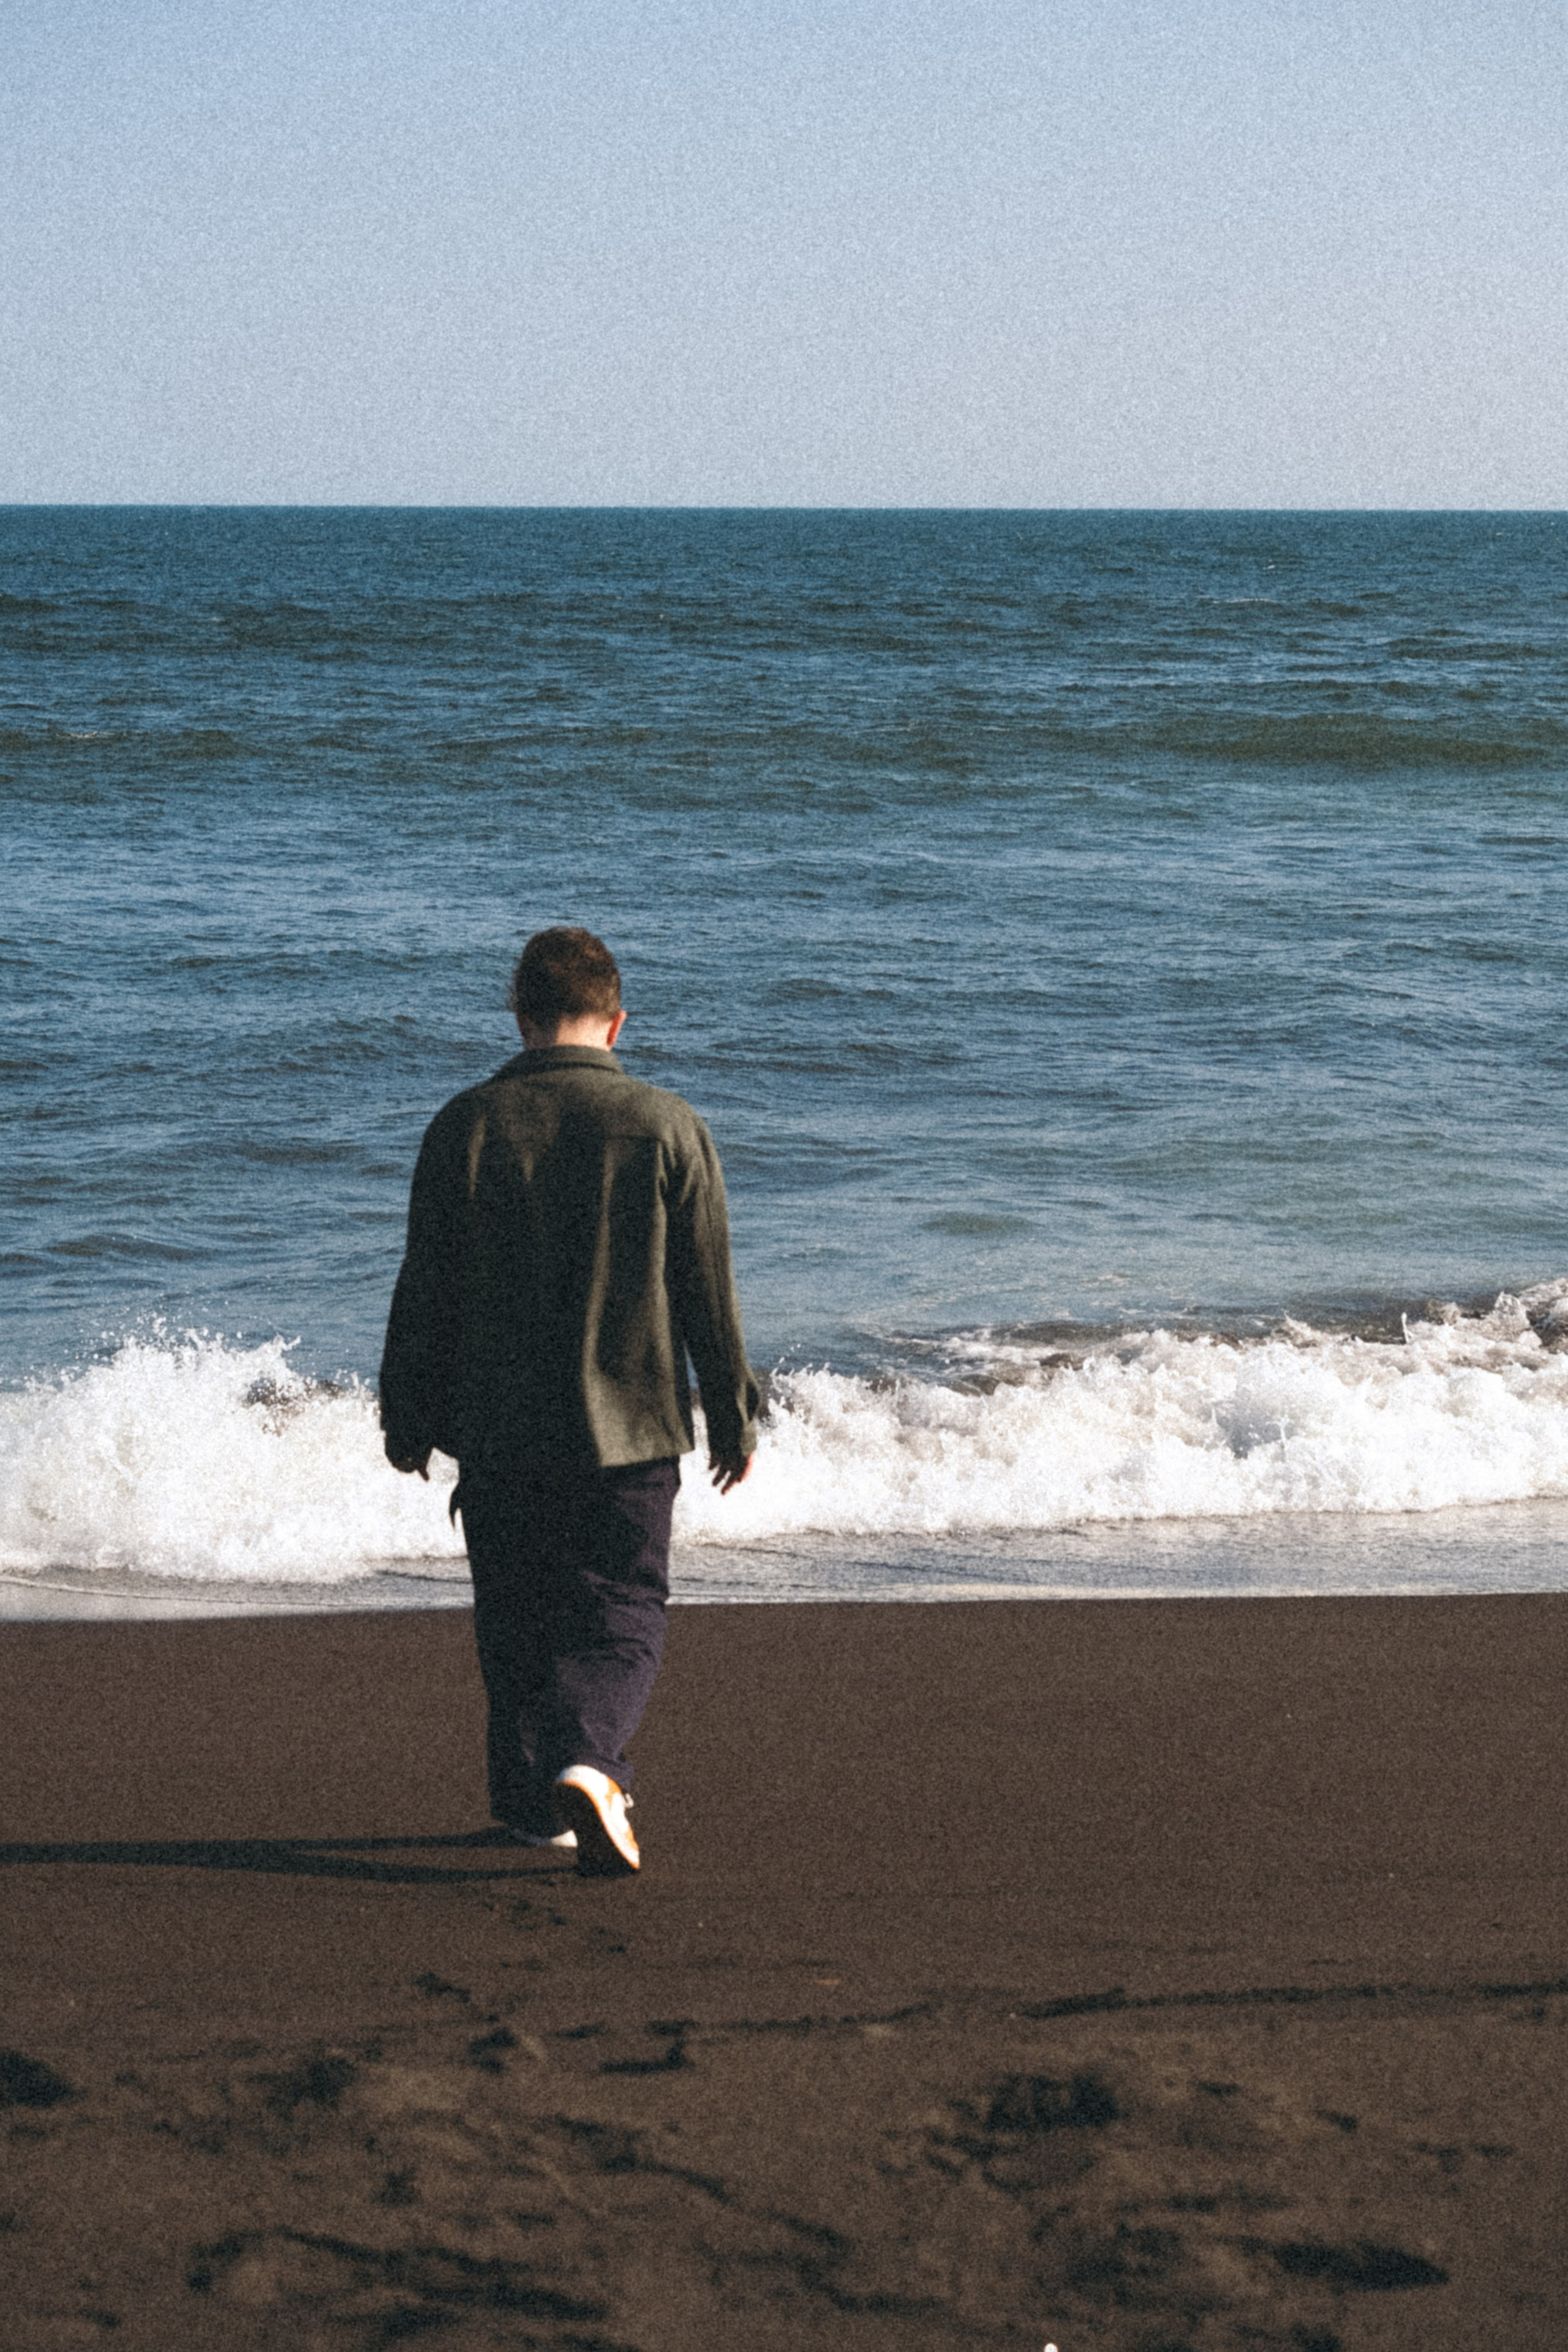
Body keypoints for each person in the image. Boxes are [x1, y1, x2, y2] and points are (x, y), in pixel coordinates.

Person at [380, 927, 758, 1877]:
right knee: (621, 1610)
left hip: (500, 1429)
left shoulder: (465, 1124)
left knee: (512, 1617)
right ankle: (590, 1762)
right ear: (617, 1023)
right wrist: (732, 1413)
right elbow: (707, 1288)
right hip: (631, 1429)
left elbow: (425, 1287)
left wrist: (407, 1411)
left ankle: (527, 1803)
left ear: (519, 1016)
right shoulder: (668, 1125)